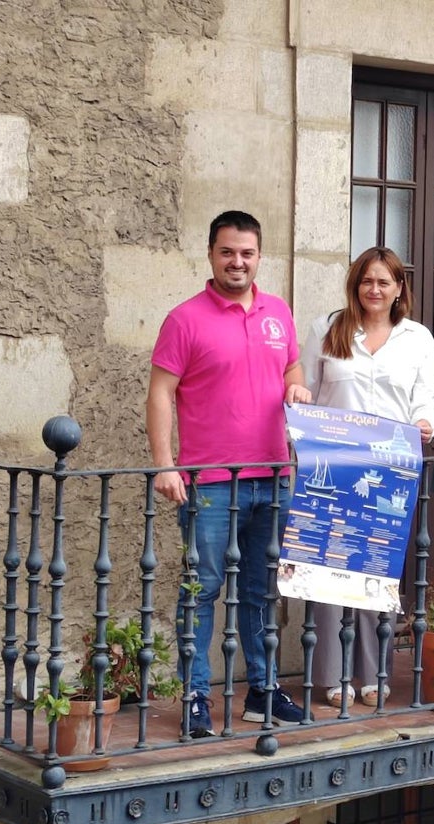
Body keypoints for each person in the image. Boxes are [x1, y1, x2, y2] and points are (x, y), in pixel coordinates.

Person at [146, 210, 311, 737]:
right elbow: (160, 394)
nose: (237, 261)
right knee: (202, 589)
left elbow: (290, 368)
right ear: (211, 254)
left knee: (264, 589)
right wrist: (164, 465)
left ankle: (262, 690)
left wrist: (297, 388)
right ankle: (196, 694)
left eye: (246, 253)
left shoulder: (277, 312)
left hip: (273, 474)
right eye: (227, 252)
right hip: (210, 483)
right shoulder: (184, 319)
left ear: (259, 256)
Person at [299, 246, 434, 709]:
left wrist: (425, 424)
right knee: (328, 573)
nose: (375, 290)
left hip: (390, 469)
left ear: (400, 288)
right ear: (355, 285)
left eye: (384, 282)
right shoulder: (327, 328)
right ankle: (332, 674)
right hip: (333, 466)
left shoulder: (417, 338)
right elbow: (307, 397)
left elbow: (426, 398)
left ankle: (373, 671)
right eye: (367, 281)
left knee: (376, 576)